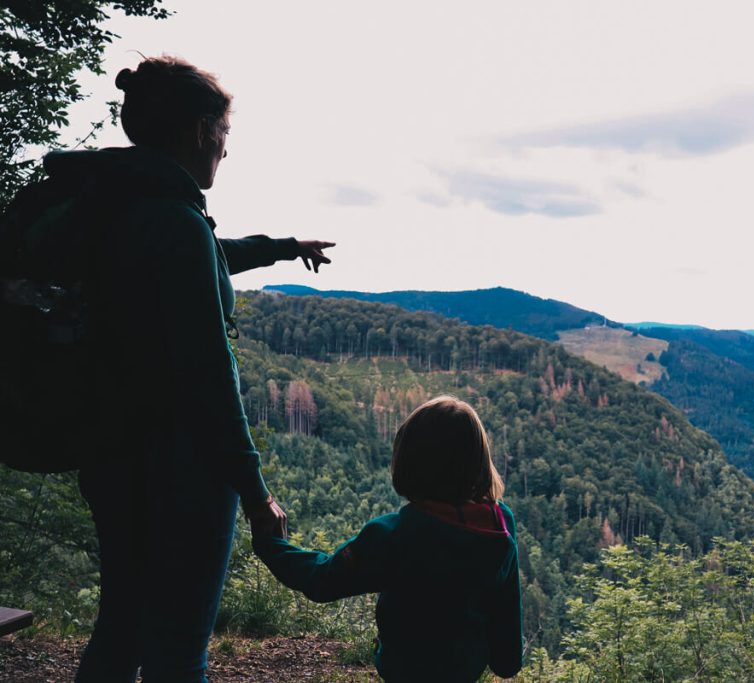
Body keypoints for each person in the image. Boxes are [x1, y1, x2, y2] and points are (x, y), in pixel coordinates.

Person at [53, 56, 333, 682]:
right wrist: (256, 494)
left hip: (109, 448)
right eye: (225, 137)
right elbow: (209, 379)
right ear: (201, 131)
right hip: (180, 464)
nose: (225, 154)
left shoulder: (122, 205)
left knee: (120, 626)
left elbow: (208, 253)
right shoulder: (172, 220)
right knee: (179, 648)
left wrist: (283, 247)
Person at [252, 396, 524, 682]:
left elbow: (322, 580)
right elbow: (507, 653)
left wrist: (271, 546)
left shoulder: (394, 536)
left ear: (410, 461)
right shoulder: (501, 525)